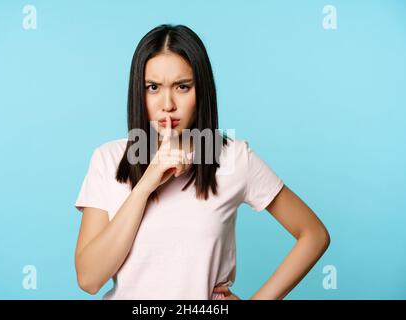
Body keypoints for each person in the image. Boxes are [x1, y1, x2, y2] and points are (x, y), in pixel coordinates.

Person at [74, 24, 330, 300]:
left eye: (182, 87)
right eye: (153, 87)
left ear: (202, 91)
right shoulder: (108, 159)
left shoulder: (233, 158)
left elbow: (314, 234)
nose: (167, 103)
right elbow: (89, 279)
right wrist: (145, 186)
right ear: (139, 92)